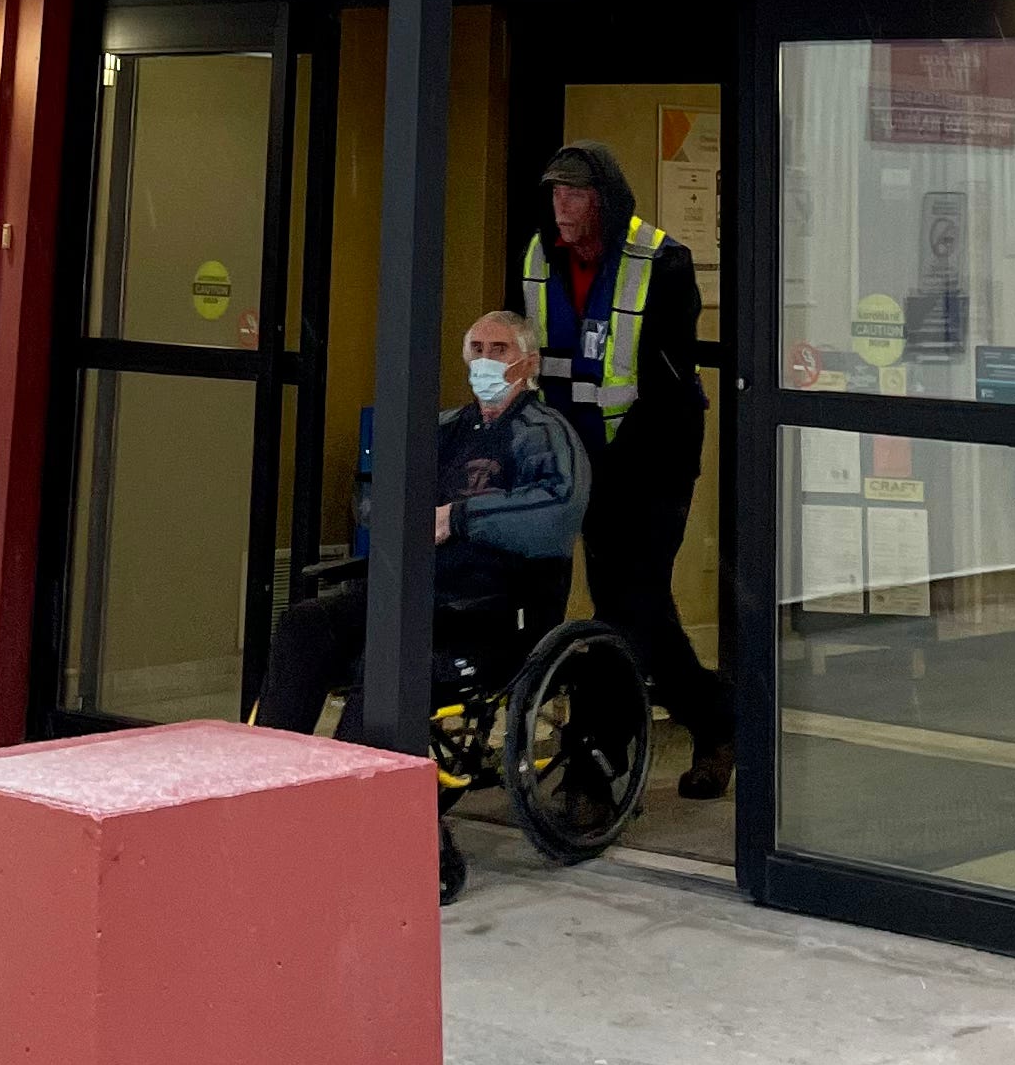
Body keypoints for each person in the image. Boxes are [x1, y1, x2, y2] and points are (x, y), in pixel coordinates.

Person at [255, 309, 588, 748]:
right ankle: (273, 762)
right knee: (305, 625)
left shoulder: (545, 434)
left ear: (529, 363)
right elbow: (375, 496)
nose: (486, 360)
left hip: (491, 609)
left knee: (390, 655)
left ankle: (359, 778)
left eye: (499, 350)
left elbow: (558, 509)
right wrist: (398, 516)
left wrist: (458, 518)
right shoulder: (441, 429)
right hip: (416, 594)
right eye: (477, 349)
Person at [526, 142, 736, 797]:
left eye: (575, 193)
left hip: (652, 462)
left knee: (629, 603)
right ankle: (714, 717)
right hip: (576, 460)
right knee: (632, 608)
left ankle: (596, 762)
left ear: (605, 201)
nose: (561, 206)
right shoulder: (539, 257)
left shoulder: (663, 264)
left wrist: (612, 473)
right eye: (555, 192)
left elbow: (667, 387)